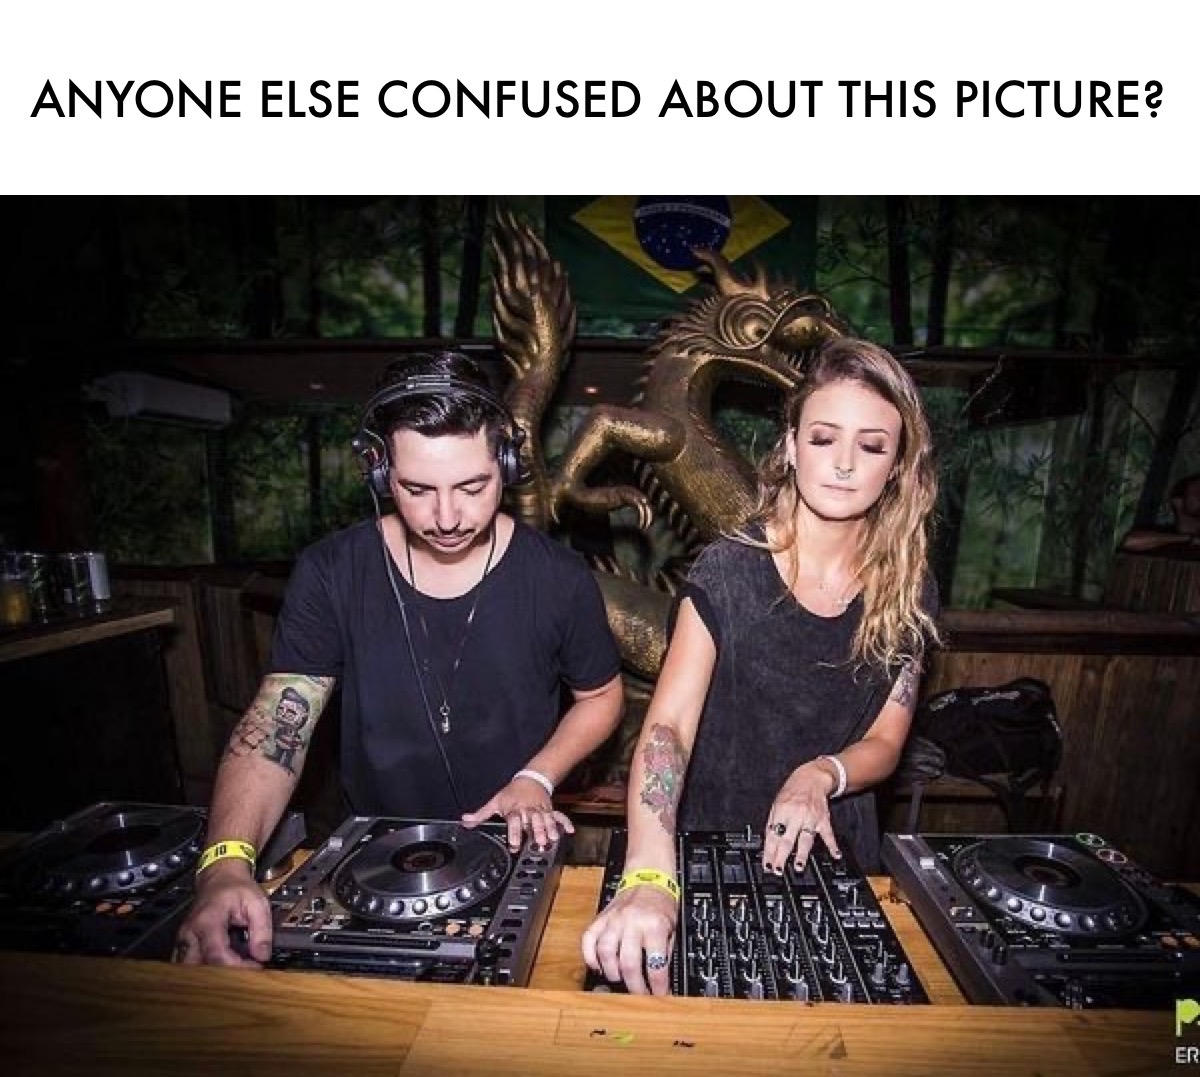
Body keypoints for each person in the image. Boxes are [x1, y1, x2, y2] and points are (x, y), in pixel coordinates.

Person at [176, 350, 624, 967]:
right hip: (373, 863)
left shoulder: (559, 577)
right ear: (381, 472)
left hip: (516, 851)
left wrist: (537, 778)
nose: (447, 518)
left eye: (473, 487)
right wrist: (224, 864)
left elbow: (600, 697)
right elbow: (279, 726)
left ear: (506, 463)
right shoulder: (331, 572)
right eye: (417, 489)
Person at [582, 337, 940, 995]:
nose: (843, 463)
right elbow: (668, 729)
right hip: (715, 851)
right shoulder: (729, 568)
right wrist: (649, 874)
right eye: (824, 438)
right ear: (792, 445)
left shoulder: (909, 586)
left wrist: (821, 773)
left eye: (871, 446)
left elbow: (887, 742)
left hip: (838, 857)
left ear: (897, 466)